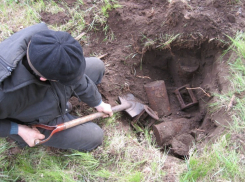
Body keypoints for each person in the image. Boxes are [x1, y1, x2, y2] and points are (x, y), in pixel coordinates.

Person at [0, 23, 113, 151]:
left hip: (50, 89)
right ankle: (22, 138)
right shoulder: (5, 95)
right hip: (33, 117)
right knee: (95, 136)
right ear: (44, 78)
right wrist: (18, 130)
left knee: (97, 66)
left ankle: (61, 104)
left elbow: (76, 77)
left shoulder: (45, 40)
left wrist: (98, 103)